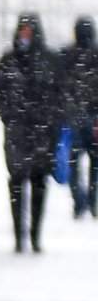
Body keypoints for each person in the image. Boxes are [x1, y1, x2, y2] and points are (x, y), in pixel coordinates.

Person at [0, 13, 63, 253]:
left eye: (29, 31)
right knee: (17, 182)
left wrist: (50, 118)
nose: (25, 36)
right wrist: (9, 116)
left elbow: (61, 94)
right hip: (17, 132)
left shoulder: (50, 61)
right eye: (22, 31)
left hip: (43, 133)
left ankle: (34, 235)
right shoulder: (9, 61)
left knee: (39, 182)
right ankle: (19, 235)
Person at [60, 16, 98, 218]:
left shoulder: (66, 54)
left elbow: (60, 86)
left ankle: (79, 201)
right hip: (95, 118)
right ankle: (92, 201)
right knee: (95, 163)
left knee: (74, 162)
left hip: (73, 116)